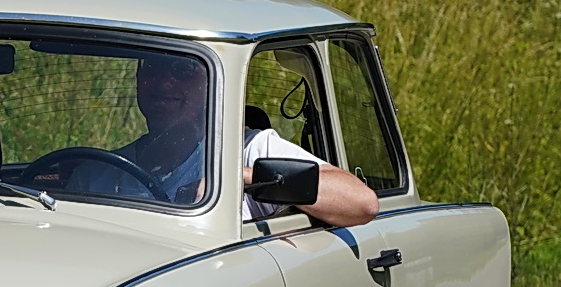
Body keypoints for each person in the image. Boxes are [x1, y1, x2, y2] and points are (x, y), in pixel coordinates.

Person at [65, 51, 379, 227]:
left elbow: (362, 204)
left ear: (212, 83)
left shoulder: (248, 150)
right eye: (152, 68)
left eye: (183, 69)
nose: (163, 83)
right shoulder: (96, 176)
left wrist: (236, 178)